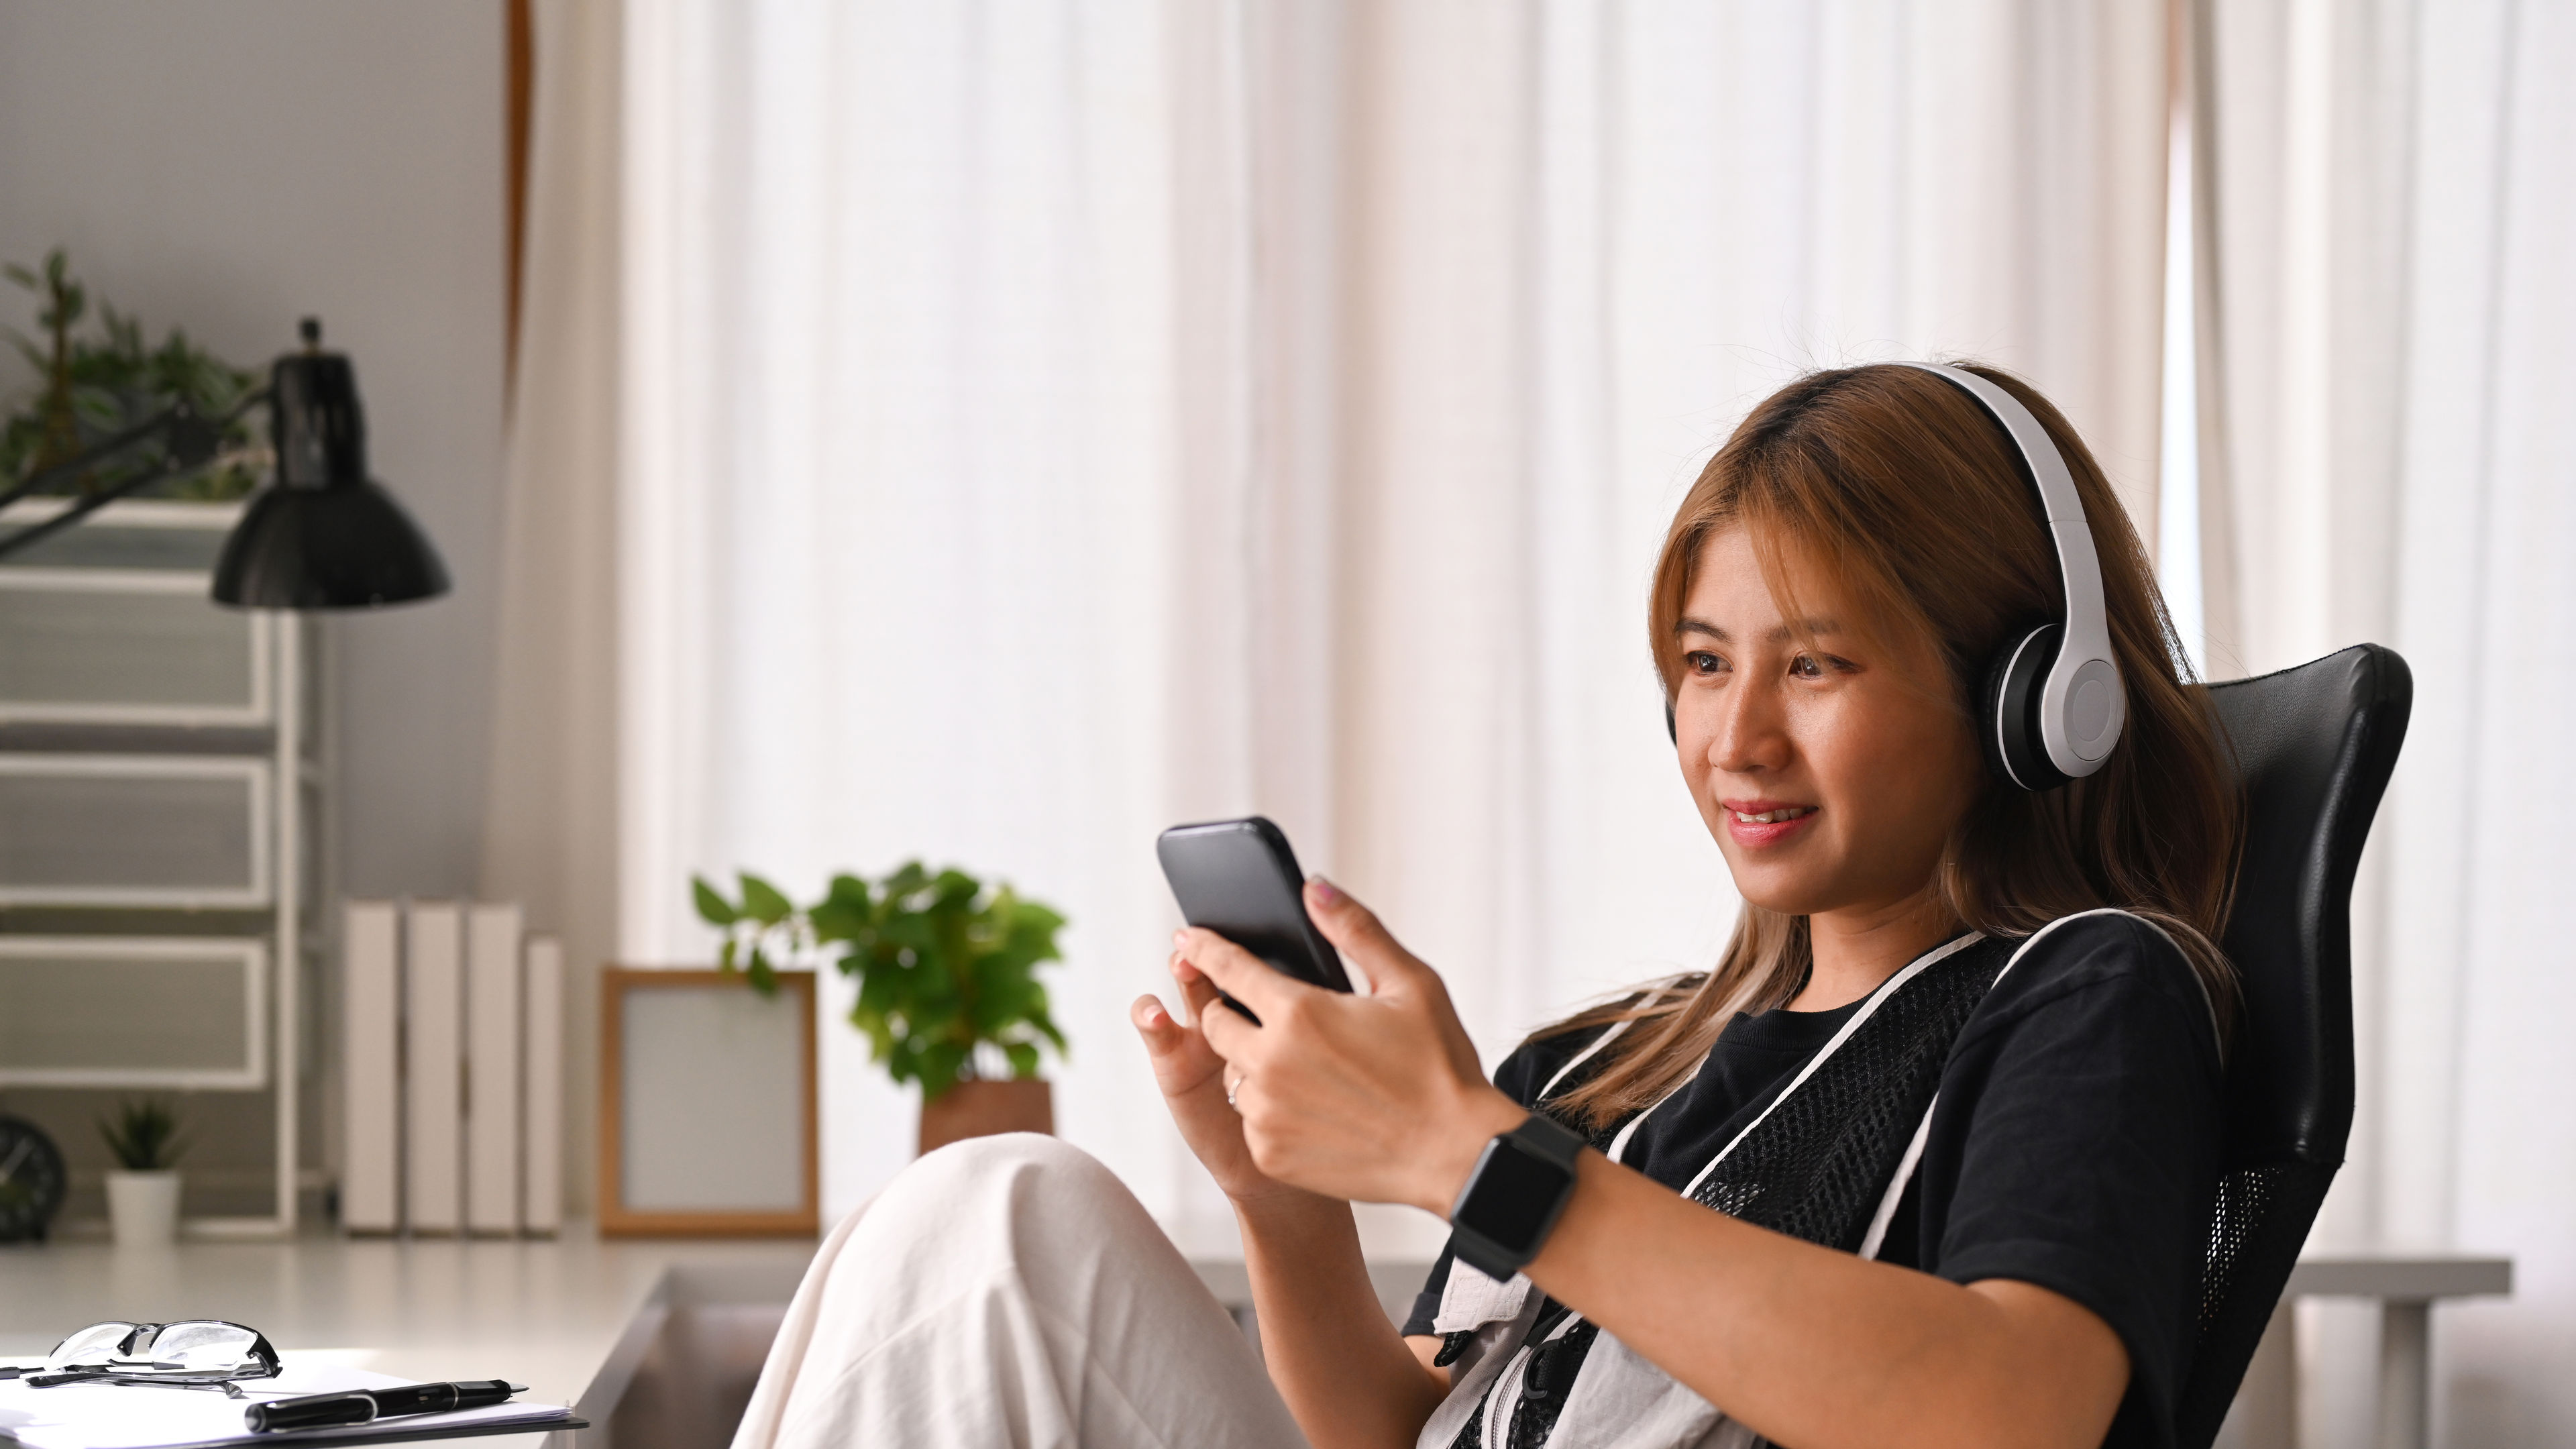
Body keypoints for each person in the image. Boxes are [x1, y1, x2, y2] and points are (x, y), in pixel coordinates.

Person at [729, 362, 2241, 1449]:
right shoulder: (1612, 1064)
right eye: (1707, 664)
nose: (1739, 739)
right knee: (999, 1208)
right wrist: (1288, 1203)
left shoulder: (2086, 994)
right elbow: (1402, 1430)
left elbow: (2013, 1411)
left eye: (1817, 664)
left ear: (2032, 700)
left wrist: (1476, 1156)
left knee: (995, 1220)